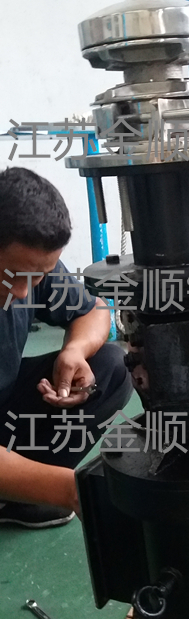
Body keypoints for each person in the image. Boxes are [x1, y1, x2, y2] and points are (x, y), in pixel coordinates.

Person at [0, 167, 133, 528]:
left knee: (112, 365)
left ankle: (19, 498)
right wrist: (71, 490)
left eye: (38, 276)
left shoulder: (30, 263)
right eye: (13, 275)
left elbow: (94, 310)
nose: (23, 292)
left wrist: (74, 351)